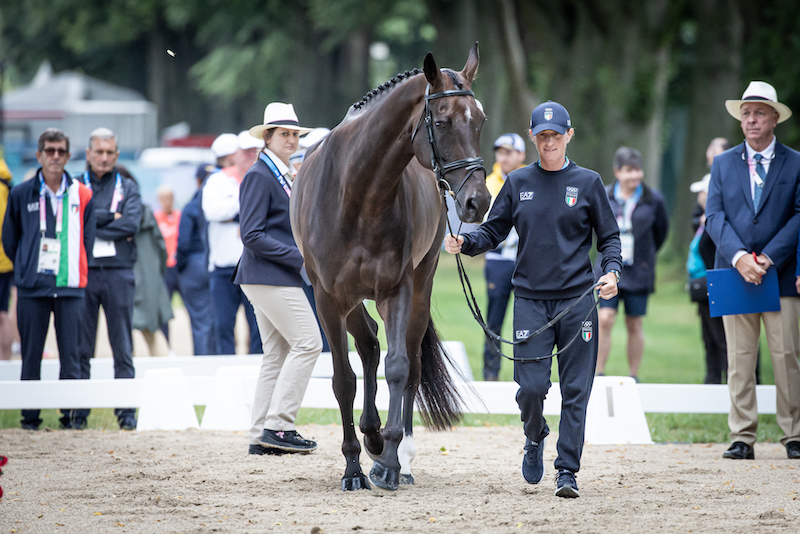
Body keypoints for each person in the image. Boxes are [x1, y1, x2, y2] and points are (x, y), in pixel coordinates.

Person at [444, 101, 621, 498]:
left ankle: (567, 471)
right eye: (542, 136)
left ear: (568, 135)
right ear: (532, 138)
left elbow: (609, 238)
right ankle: (535, 433)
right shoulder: (518, 182)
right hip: (529, 300)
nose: (549, 142)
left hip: (578, 302)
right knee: (530, 388)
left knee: (577, 389)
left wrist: (611, 271)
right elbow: (493, 232)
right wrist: (465, 242)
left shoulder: (590, 183)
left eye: (555, 135)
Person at [706, 80, 800, 461]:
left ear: (775, 118)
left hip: (781, 273)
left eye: (759, 112)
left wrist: (768, 257)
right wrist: (741, 257)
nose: (751, 119)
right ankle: (742, 436)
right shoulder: (723, 163)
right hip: (734, 273)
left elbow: (799, 214)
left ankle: (794, 434)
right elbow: (714, 216)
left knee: (787, 355)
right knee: (740, 358)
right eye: (746, 113)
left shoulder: (795, 162)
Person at [238, 102, 322, 455]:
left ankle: (260, 433)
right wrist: (300, 258)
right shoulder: (259, 176)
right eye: (283, 134)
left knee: (276, 354)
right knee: (309, 343)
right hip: (269, 275)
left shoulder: (283, 173)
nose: (290, 140)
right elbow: (251, 234)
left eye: (294, 134)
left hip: (270, 275)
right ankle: (280, 425)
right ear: (267, 137)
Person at [2, 128, 95, 429]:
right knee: (31, 355)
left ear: (68, 156)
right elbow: (10, 240)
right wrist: (28, 266)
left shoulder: (82, 193)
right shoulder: (20, 193)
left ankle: (72, 417)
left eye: (61, 151)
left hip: (70, 286)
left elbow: (88, 239)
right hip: (32, 287)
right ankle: (30, 418)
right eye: (49, 150)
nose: (55, 156)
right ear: (40, 154)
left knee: (72, 354)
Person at [75, 127, 143, 430]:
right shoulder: (75, 185)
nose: (103, 157)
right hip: (84, 274)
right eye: (98, 152)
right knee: (79, 348)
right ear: (88, 154)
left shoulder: (128, 185)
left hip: (119, 273)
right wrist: (110, 218)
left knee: (122, 346)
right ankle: (76, 415)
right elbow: (72, 224)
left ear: (116, 155)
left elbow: (131, 223)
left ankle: (126, 415)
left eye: (109, 153)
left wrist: (92, 221)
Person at [595, 147, 669, 382]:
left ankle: (633, 375)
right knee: (604, 318)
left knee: (634, 322)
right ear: (617, 172)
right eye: (629, 171)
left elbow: (661, 232)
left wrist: (646, 255)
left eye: (638, 170)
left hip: (639, 271)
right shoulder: (604, 195)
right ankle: (598, 372)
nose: (634, 176)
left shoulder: (654, 199)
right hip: (608, 269)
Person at [202, 131, 264, 355]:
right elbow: (211, 211)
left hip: (256, 267)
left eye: (254, 152)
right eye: (245, 152)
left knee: (259, 328)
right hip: (224, 266)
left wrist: (233, 213)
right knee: (223, 326)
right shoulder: (217, 181)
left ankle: (258, 371)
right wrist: (246, 209)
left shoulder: (263, 178)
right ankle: (226, 370)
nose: (250, 156)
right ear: (235, 154)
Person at [481, 133, 527, 380]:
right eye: (500, 152)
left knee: (526, 320)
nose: (503, 157)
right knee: (494, 320)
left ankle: (526, 373)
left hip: (524, 260)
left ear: (521, 155)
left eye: (509, 152)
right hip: (498, 260)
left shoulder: (530, 181)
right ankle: (490, 374)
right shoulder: (487, 183)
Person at [687, 173, 728, 384]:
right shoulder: (703, 220)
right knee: (709, 337)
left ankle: (728, 380)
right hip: (704, 286)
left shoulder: (716, 221)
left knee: (721, 337)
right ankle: (712, 380)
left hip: (715, 284)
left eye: (704, 192)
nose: (701, 197)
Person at [128, 168, 174, 356]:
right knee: (151, 331)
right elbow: (161, 248)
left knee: (142, 333)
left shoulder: (143, 213)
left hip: (138, 280)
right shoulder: (148, 213)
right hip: (148, 280)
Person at [154, 184, 180, 349]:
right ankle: (166, 346)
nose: (167, 201)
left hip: (178, 267)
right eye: (163, 198)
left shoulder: (180, 216)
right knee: (163, 310)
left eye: (169, 197)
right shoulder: (155, 218)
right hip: (163, 268)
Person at [0, 156, 15, 360]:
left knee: (2, 316)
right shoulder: (5, 183)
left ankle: (4, 363)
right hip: (5, 260)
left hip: (2, 262)